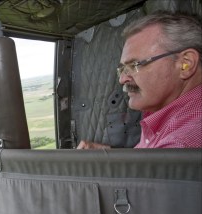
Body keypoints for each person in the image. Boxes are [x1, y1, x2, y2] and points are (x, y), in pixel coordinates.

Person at [77, 11, 202, 149]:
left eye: (135, 65)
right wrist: (108, 156)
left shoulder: (180, 145)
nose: (122, 79)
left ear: (186, 64)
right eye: (122, 69)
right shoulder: (164, 114)